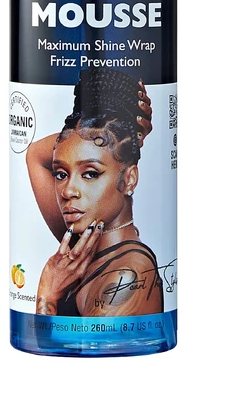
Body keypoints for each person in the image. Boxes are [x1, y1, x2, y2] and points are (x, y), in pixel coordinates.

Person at [25, 67, 164, 317]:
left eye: (90, 174)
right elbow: (35, 154)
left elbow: (51, 339)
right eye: (61, 174)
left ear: (129, 179)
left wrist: (48, 293)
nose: (68, 191)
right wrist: (119, 139)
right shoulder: (83, 250)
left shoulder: (127, 277)